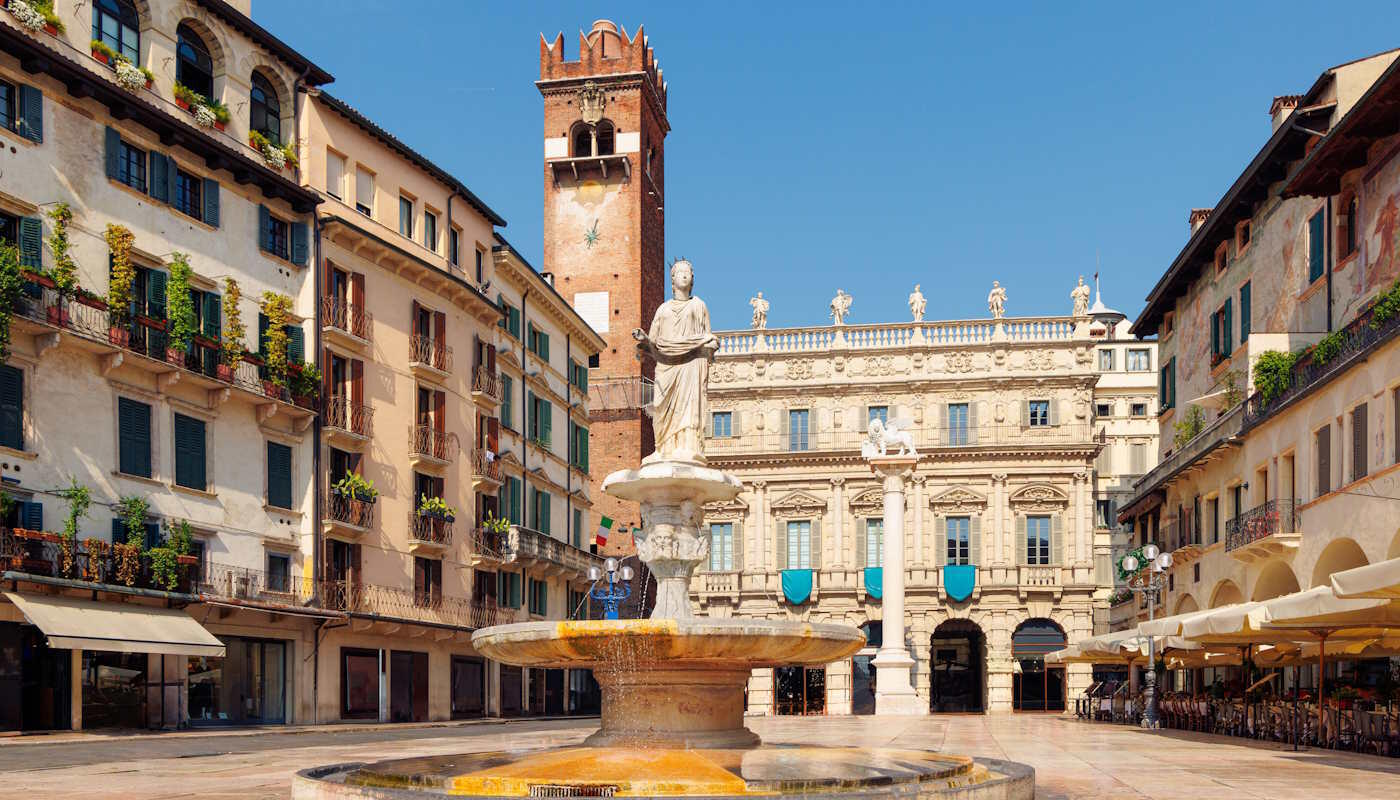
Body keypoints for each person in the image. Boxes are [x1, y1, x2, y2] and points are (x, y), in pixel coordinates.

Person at [633, 259, 718, 464]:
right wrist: (644, 340)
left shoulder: (699, 305)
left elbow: (708, 336)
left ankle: (688, 446)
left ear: (692, 280)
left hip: (691, 363)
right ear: (672, 279)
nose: (685, 275)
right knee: (661, 406)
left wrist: (711, 344)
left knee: (688, 405)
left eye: (688, 272)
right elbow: (653, 342)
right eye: (680, 272)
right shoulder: (663, 310)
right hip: (666, 365)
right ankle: (663, 447)